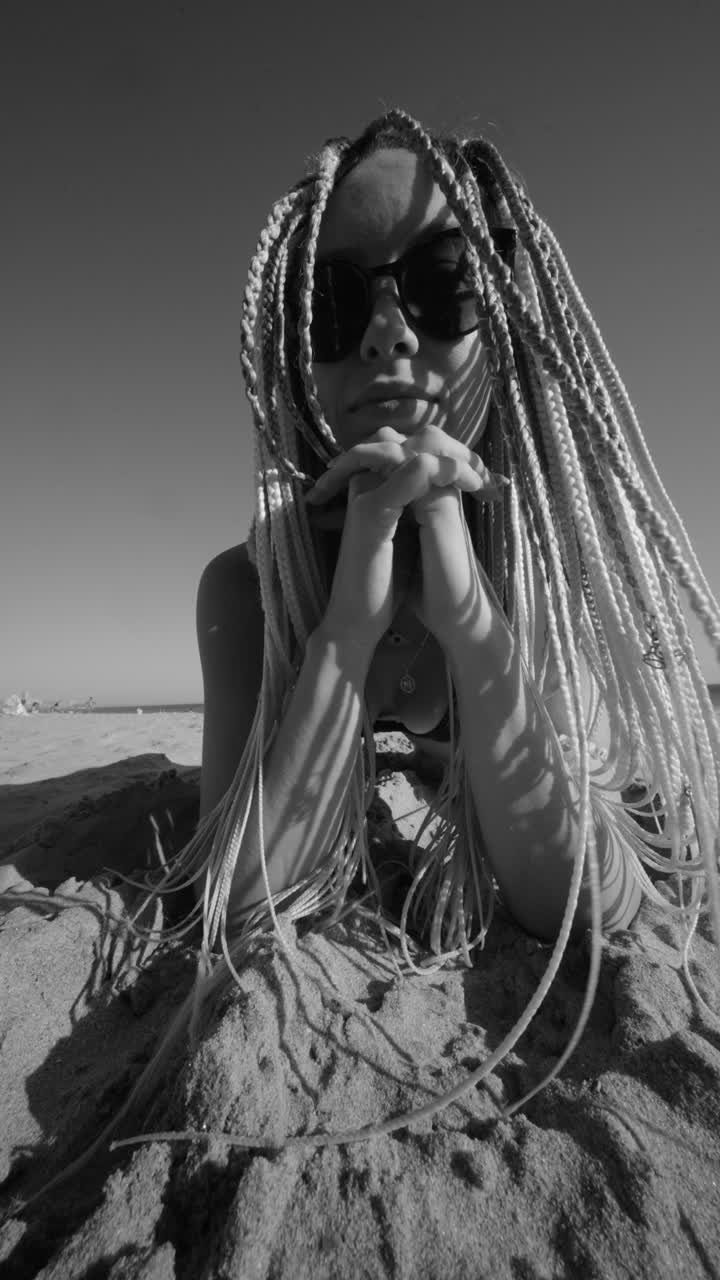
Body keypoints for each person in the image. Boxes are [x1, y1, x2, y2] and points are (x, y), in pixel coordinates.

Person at [177, 109, 719, 992]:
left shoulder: (549, 571)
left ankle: (428, 753)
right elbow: (236, 904)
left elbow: (591, 904)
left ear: (503, 330)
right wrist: (345, 630)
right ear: (291, 358)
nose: (386, 332)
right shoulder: (254, 590)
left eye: (445, 283)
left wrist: (472, 625)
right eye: (333, 302)